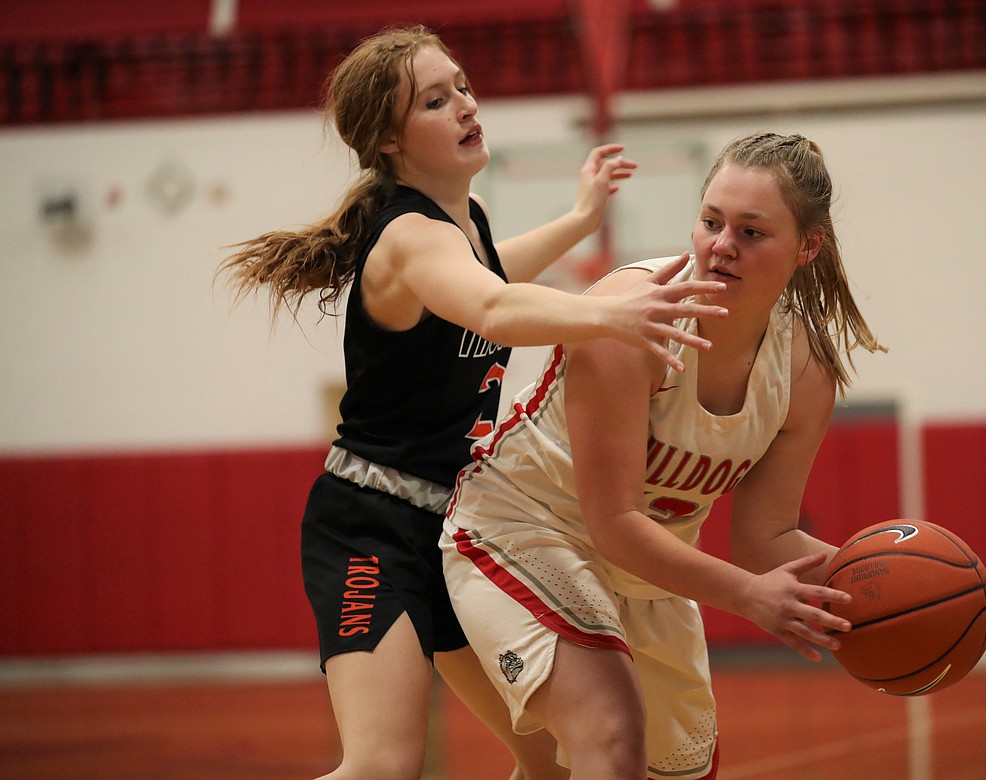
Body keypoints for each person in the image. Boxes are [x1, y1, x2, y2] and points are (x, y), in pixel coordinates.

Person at [217, 26, 728, 780]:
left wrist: (582, 220)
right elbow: (491, 306)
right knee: (383, 767)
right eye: (433, 99)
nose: (463, 104)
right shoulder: (407, 237)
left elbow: (490, 268)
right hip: (373, 528)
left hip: (465, 529)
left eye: (459, 85)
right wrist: (612, 314)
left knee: (552, 761)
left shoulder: (466, 219)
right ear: (389, 141)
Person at [441, 131, 886, 780]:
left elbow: (765, 540)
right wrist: (749, 598)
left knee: (655, 768)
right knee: (609, 735)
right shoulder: (632, 319)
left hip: (649, 575)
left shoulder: (806, 370)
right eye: (711, 222)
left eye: (752, 232)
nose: (721, 246)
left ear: (807, 247)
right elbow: (613, 522)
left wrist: (869, 590)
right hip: (524, 534)